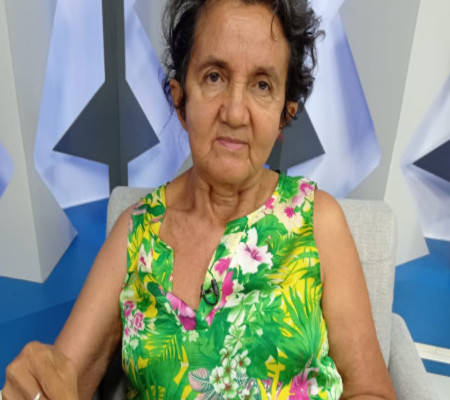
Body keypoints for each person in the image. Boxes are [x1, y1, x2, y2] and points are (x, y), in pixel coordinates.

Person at [2, 0, 396, 399]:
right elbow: (65, 374)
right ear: (180, 100)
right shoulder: (136, 233)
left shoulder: (318, 221)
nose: (235, 113)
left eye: (262, 85)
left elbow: (371, 390)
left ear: (284, 114)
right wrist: (37, 386)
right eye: (214, 77)